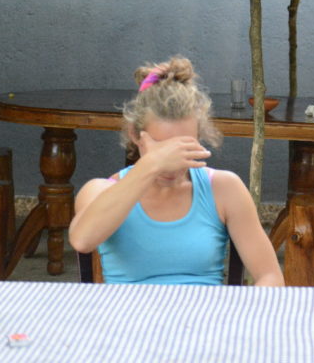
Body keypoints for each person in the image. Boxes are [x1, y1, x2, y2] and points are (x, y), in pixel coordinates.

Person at [68, 56, 283, 286]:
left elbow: (269, 275)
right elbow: (82, 240)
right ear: (135, 135)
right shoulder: (99, 191)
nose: (172, 161)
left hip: (207, 318)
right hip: (130, 319)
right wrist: (151, 165)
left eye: (183, 146)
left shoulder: (223, 188)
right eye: (162, 147)